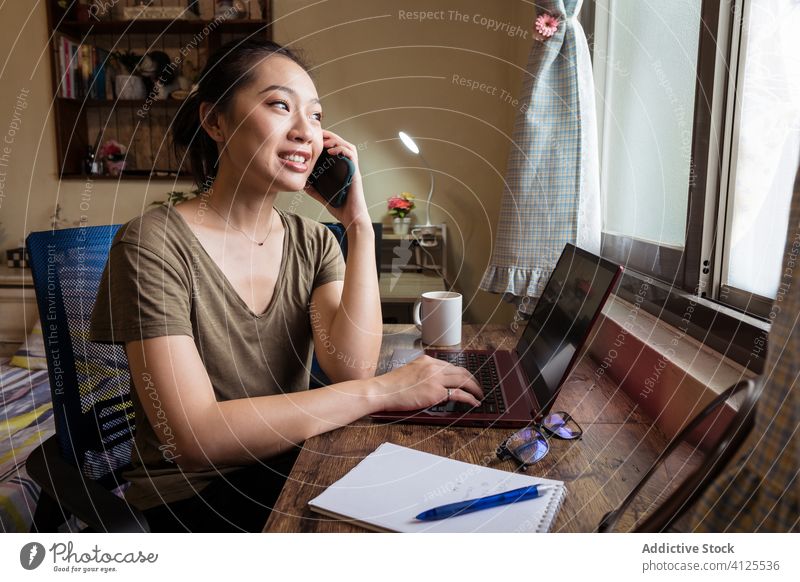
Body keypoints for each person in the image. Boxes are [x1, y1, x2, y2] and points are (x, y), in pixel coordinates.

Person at [89, 39, 482, 532]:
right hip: (196, 495)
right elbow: (193, 437)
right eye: (280, 105)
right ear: (216, 122)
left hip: (292, 460)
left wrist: (357, 224)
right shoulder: (153, 244)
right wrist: (383, 391)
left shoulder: (314, 242)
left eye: (316, 117)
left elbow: (351, 367)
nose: (305, 131)